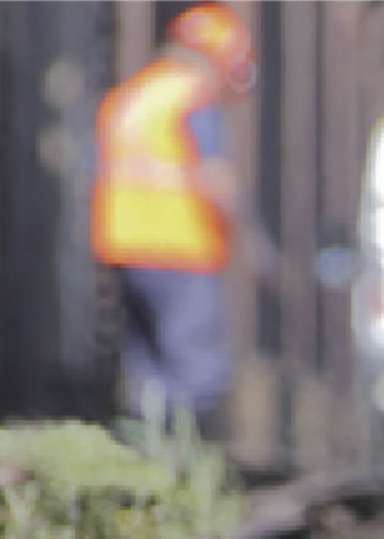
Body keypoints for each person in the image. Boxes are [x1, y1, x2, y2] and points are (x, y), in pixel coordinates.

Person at [91, 2, 268, 441]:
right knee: (197, 367)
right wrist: (250, 239)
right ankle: (186, 462)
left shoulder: (132, 96)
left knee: (148, 370)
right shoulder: (191, 97)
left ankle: (147, 458)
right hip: (179, 245)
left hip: (125, 245)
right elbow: (213, 177)